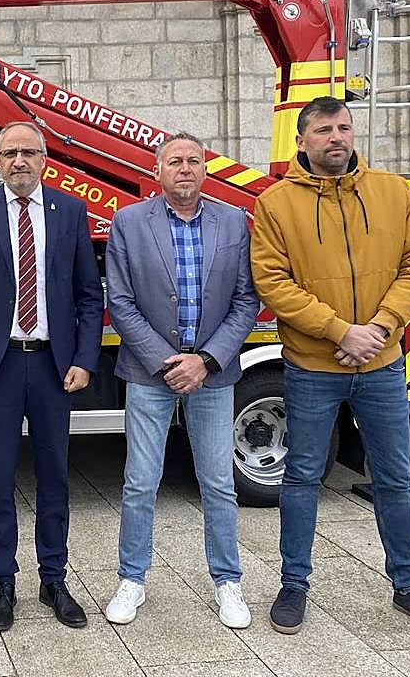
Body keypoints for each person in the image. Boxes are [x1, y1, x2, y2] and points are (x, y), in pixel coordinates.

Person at [250, 96, 410, 641]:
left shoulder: (392, 193)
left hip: (381, 364)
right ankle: (294, 584)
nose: (336, 137)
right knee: (300, 477)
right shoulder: (276, 204)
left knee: (394, 478)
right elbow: (273, 282)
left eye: (343, 127)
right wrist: (339, 331)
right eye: (323, 130)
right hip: (311, 366)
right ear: (301, 141)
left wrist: (379, 327)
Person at [0, 121, 104, 632]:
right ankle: (4, 580)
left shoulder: (70, 212)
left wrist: (84, 357)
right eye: (9, 152)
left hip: (51, 365)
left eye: (29, 152)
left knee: (54, 475)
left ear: (45, 159)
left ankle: (53, 578)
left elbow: (89, 293)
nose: (19, 160)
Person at [103, 131, 258, 628]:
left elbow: (245, 302)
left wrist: (206, 360)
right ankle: (132, 579)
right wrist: (168, 360)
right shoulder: (129, 222)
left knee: (218, 482)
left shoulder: (233, 222)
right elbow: (120, 301)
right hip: (151, 373)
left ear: (206, 170)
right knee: (139, 482)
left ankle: (228, 582)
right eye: (175, 161)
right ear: (158, 170)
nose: (185, 168)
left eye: (194, 161)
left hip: (212, 374)